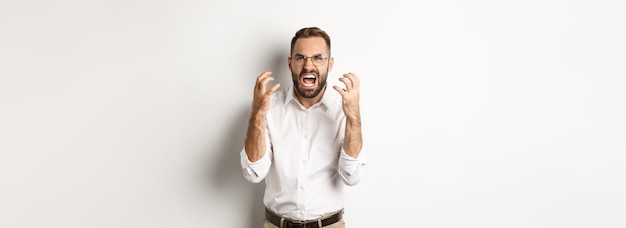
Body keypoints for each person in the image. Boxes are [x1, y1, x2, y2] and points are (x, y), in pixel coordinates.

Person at [240, 27, 367, 228]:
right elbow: (253, 173)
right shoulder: (269, 107)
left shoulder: (343, 109)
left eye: (318, 58)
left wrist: (353, 117)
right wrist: (257, 113)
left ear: (330, 64)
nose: (309, 66)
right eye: (300, 58)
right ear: (290, 64)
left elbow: (351, 176)